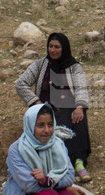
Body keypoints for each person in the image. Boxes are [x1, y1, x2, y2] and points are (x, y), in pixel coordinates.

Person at [14, 33, 92, 182]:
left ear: (64, 48)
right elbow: (20, 83)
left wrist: (80, 107)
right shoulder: (40, 65)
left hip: (69, 108)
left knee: (79, 118)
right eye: (50, 46)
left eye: (57, 47)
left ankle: (79, 162)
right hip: (46, 110)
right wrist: (36, 103)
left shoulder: (74, 67)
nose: (53, 50)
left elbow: (81, 88)